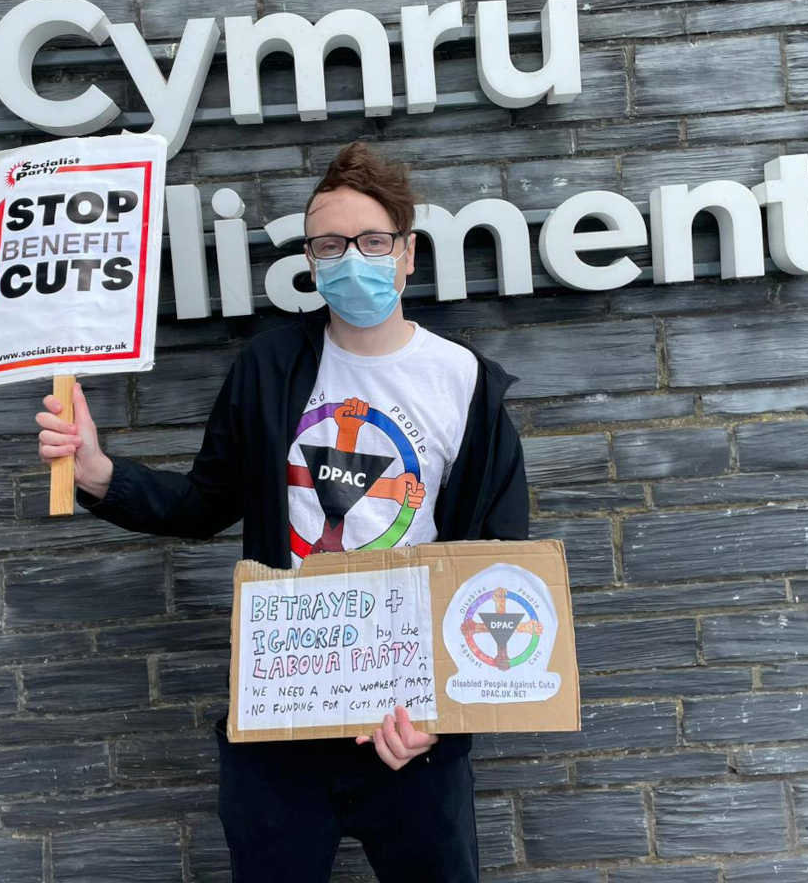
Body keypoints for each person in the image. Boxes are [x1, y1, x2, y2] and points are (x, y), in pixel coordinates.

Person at [35, 141, 529, 882]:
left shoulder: (464, 381)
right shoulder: (269, 367)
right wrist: (101, 474)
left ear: (407, 255)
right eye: (330, 245)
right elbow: (204, 505)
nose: (350, 259)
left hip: (409, 723)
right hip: (282, 717)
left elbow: (497, 558)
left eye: (370, 241)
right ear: (311, 258)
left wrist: (440, 714)